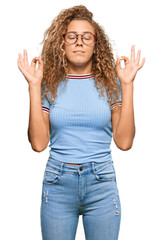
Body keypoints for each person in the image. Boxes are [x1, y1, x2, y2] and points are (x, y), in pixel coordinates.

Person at [17, 5, 145, 240]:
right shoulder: (48, 85)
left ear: (96, 44)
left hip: (101, 184)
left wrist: (127, 85)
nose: (79, 42)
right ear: (62, 43)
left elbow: (124, 142)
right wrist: (34, 87)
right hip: (58, 184)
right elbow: (38, 143)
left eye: (87, 37)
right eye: (72, 36)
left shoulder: (110, 84)